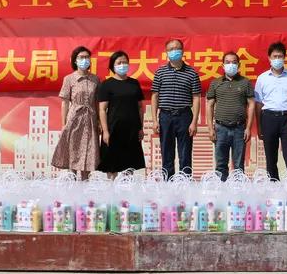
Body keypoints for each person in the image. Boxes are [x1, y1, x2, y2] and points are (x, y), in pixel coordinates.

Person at [254, 41, 287, 181]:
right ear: (269, 58)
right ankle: (273, 185)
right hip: (268, 118)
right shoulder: (262, 78)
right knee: (271, 158)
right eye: (274, 56)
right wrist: (259, 126)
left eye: (280, 56)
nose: (277, 59)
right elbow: (258, 104)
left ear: (284, 58)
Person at [151, 38, 201, 179]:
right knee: (166, 152)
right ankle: (168, 183)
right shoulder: (160, 72)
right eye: (171, 49)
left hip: (184, 116)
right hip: (165, 116)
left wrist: (194, 122)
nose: (174, 51)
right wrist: (154, 120)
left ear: (183, 51)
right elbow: (155, 96)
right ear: (166, 52)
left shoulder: (192, 73)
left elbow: (196, 97)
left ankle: (185, 182)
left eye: (177, 48)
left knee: (185, 153)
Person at [51, 45, 100, 180]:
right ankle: (71, 185)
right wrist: (64, 124)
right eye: (81, 57)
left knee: (88, 153)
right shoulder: (69, 79)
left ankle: (85, 183)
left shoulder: (95, 79)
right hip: (74, 119)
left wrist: (99, 121)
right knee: (73, 150)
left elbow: (97, 102)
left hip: (90, 119)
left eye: (87, 57)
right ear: (75, 60)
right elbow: (65, 103)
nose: (84, 60)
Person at [206, 51, 255, 181]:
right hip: (220, 128)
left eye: (234, 62)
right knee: (220, 165)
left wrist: (248, 128)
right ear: (222, 65)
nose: (231, 65)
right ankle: (221, 190)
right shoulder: (215, 83)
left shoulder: (245, 82)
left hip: (239, 129)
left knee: (238, 166)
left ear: (239, 65)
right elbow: (209, 105)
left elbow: (251, 105)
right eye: (227, 62)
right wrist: (210, 128)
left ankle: (238, 191)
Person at [98, 50, 146, 178]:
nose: (122, 65)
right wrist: (105, 131)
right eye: (119, 62)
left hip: (131, 129)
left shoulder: (134, 83)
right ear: (112, 65)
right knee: (112, 163)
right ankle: (111, 187)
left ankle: (126, 188)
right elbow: (102, 109)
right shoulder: (107, 84)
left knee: (129, 164)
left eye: (124, 62)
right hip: (113, 128)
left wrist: (140, 128)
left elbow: (140, 107)